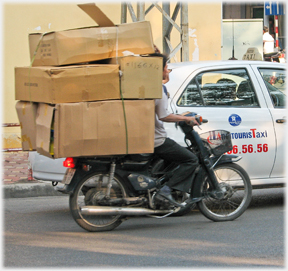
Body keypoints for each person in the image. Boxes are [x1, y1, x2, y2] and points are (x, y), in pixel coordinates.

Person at [150, 53, 200, 207]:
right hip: (156, 139)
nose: (167, 70)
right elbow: (164, 115)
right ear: (160, 70)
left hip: (144, 138)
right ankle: (165, 191)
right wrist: (185, 119)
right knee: (191, 159)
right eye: (166, 67)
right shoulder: (158, 88)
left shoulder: (144, 86)